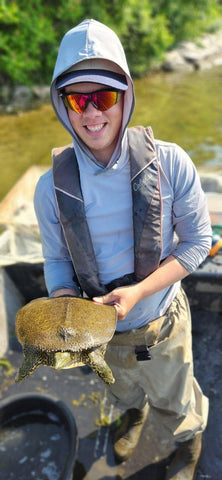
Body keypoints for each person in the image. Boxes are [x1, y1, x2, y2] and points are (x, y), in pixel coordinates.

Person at [34, 18, 212, 479]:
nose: (93, 113)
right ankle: (132, 415)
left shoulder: (171, 162)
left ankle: (188, 444)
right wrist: (60, 301)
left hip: (161, 323)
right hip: (101, 336)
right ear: (63, 105)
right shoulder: (49, 187)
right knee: (121, 391)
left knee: (177, 400)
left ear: (125, 97)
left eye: (105, 97)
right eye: (78, 99)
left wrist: (138, 292)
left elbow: (196, 244)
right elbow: (56, 260)